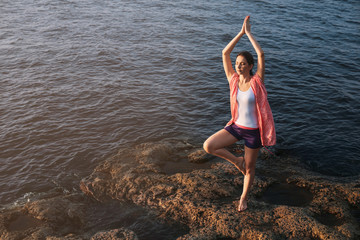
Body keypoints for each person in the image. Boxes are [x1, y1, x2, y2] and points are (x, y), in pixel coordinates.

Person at [203, 16, 276, 212]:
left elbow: (261, 54)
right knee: (209, 145)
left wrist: (249, 34)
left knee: (250, 169)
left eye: (243, 63)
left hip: (253, 132)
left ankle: (243, 198)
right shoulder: (233, 80)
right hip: (236, 127)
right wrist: (240, 33)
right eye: (237, 63)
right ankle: (237, 161)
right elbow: (224, 52)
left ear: (250, 66)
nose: (239, 66)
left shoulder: (257, 82)